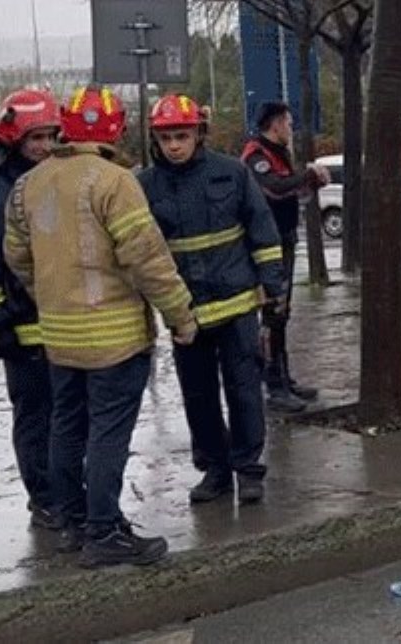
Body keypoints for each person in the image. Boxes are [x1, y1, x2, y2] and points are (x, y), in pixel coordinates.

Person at [4, 86, 198, 568]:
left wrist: (49, 294)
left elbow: (16, 254)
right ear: (117, 130)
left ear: (66, 127)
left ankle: (71, 521)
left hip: (59, 336)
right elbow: (148, 259)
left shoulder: (28, 184)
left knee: (65, 428)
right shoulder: (115, 181)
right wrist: (180, 316)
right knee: (107, 434)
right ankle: (105, 530)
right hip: (114, 339)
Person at [140, 95, 288, 505]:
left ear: (199, 134)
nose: (174, 145)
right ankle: (215, 471)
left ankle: (249, 469)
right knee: (198, 396)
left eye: (182, 136)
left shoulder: (233, 173)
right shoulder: (145, 186)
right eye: (167, 137)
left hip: (237, 304)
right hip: (186, 312)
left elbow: (263, 231)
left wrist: (273, 287)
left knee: (243, 390)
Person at [0, 90, 60, 529]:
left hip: (55, 321)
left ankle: (61, 491)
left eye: (48, 136)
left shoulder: (42, 178)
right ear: (13, 138)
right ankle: (43, 499)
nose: (43, 146)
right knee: (35, 415)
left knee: (62, 413)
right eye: (34, 137)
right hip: (19, 326)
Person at [241, 102, 328, 412]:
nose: (291, 129)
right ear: (275, 124)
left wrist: (310, 183)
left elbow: (292, 193)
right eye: (288, 123)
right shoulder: (256, 156)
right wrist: (306, 174)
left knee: (282, 313)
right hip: (267, 248)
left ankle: (283, 376)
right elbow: (274, 190)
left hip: (285, 241)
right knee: (272, 313)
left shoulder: (279, 155)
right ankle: (273, 385)